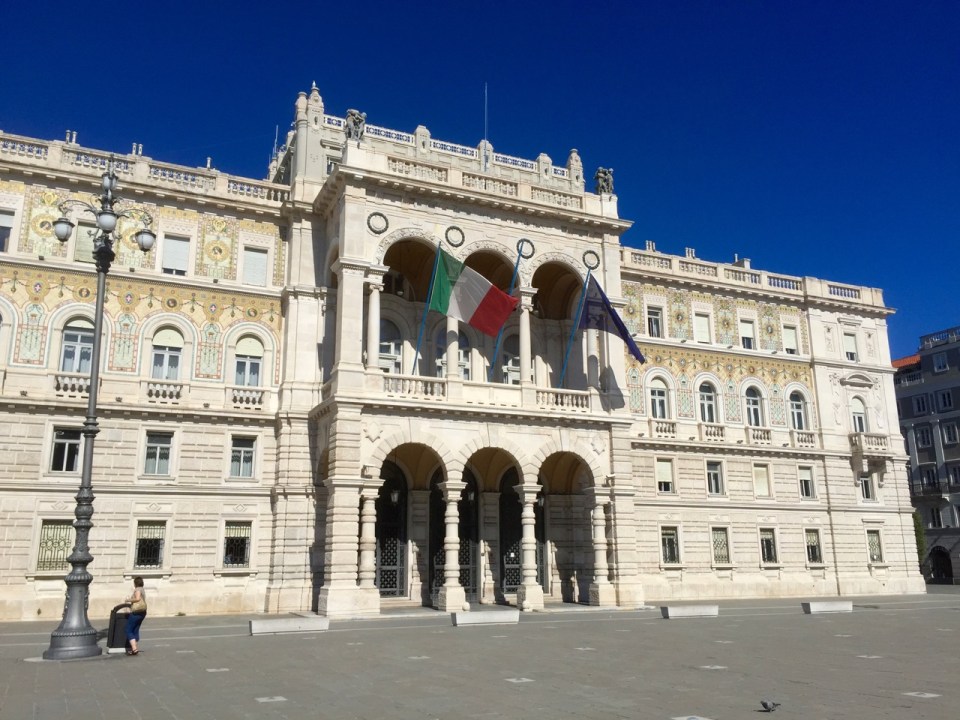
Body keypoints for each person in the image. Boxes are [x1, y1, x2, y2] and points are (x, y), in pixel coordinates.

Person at [125, 576, 147, 655]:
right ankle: (134, 647)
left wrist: (128, 599)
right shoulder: (142, 589)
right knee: (135, 629)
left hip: (136, 612)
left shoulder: (137, 589)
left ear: (135, 583)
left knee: (128, 630)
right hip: (143, 612)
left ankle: (134, 649)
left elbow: (137, 599)